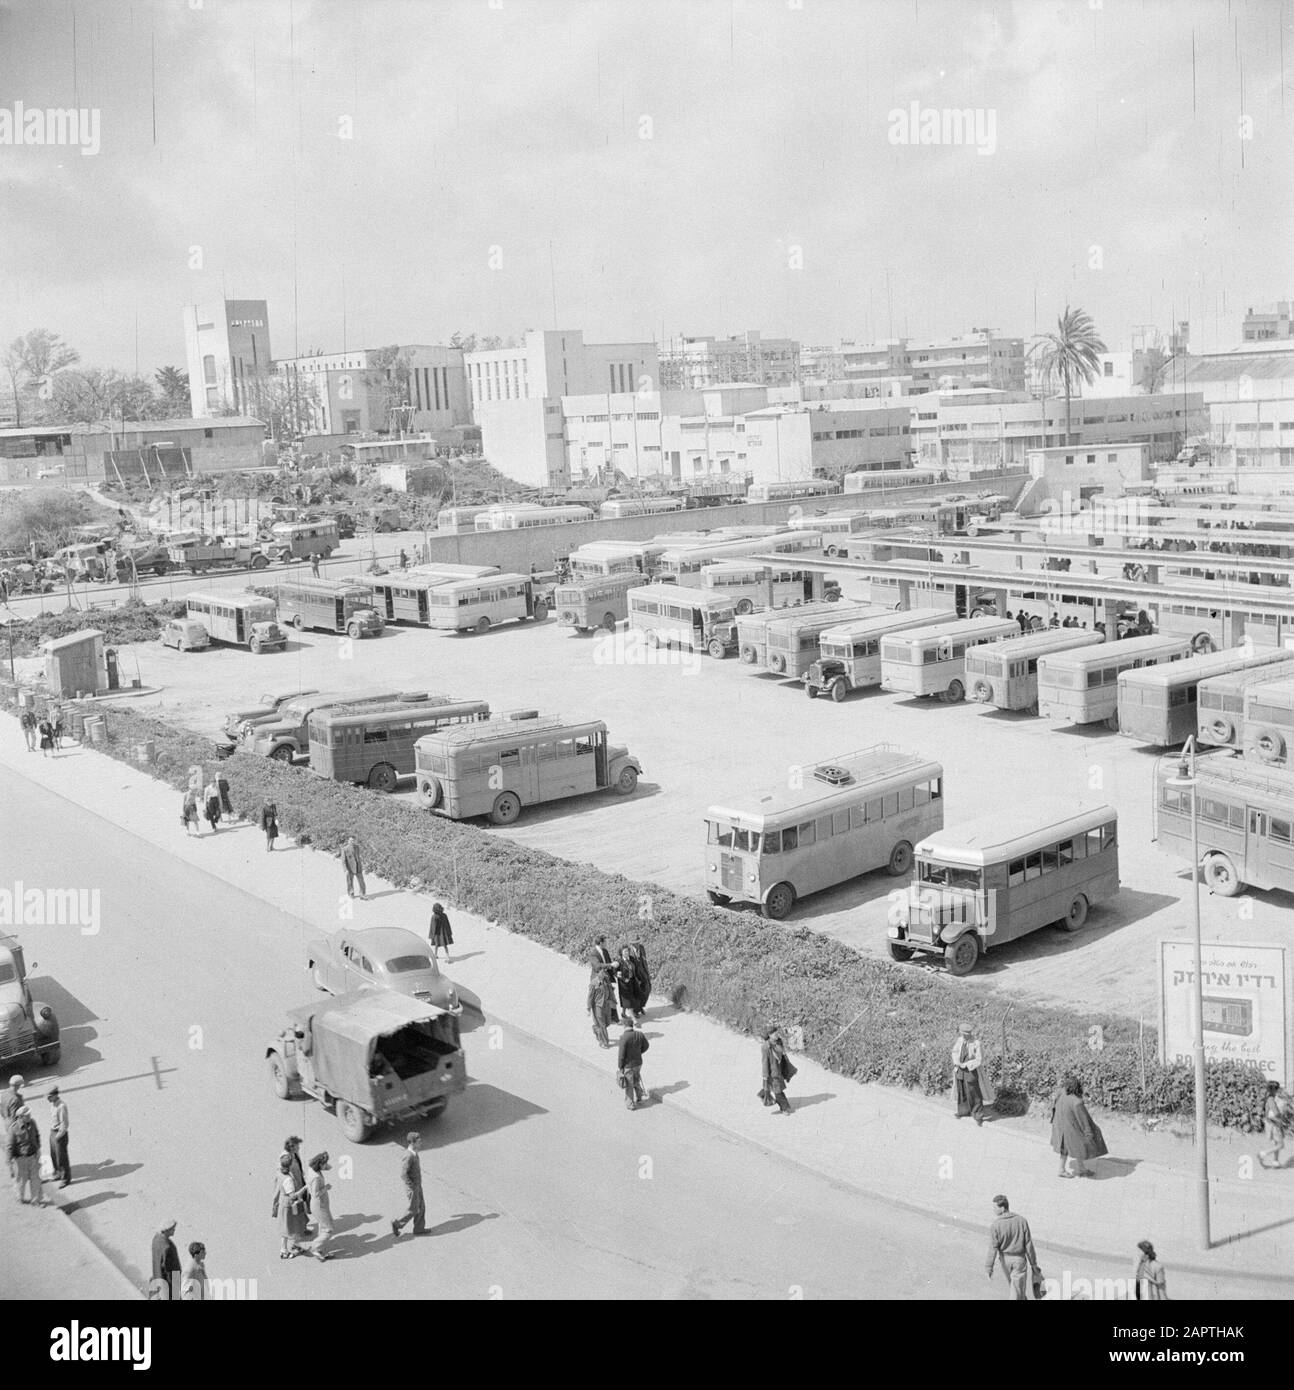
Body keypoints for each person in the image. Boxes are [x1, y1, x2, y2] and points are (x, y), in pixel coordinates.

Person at [985, 1194, 1041, 1300]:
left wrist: (989, 1268)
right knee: (1016, 1289)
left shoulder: (996, 1225)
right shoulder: (1022, 1221)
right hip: (1019, 1260)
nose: (993, 1210)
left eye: (995, 1208)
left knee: (1015, 1288)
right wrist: (1033, 1264)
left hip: (1005, 1261)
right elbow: (1028, 1244)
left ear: (1002, 1208)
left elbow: (993, 1248)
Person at [1050, 1075, 1108, 1177]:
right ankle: (1069, 1169)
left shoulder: (1061, 1094)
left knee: (1067, 1148)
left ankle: (1071, 1169)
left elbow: (1054, 1108)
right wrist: (1089, 1134)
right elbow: (1084, 1120)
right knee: (1080, 1144)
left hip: (1061, 1126)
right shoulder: (1077, 1102)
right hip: (1070, 1129)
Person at [951, 1022, 995, 1126]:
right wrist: (957, 1061)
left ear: (970, 1033)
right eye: (963, 1034)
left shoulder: (976, 1043)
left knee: (974, 1092)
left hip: (971, 1070)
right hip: (960, 1070)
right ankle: (963, 1111)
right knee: (962, 1090)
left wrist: (967, 1064)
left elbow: (979, 1059)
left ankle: (978, 1115)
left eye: (967, 1034)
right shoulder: (960, 1040)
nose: (965, 1036)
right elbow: (955, 1052)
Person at [390, 1131, 426, 1238]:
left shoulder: (414, 1153)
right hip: (413, 1187)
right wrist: (412, 1186)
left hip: (417, 1185)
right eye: (419, 1142)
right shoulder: (409, 1156)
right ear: (412, 1143)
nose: (421, 1143)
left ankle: (419, 1228)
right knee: (413, 1209)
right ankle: (397, 1224)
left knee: (421, 1207)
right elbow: (403, 1174)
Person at [273, 1153, 308, 1258]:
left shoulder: (279, 1173)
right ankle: (295, 1246)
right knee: (297, 1225)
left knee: (286, 1227)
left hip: (283, 1203)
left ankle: (284, 1250)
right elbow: (293, 1196)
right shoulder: (288, 1180)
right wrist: (305, 1188)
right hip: (290, 1206)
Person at [8, 1105, 43, 1204]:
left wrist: (38, 1148)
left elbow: (37, 1135)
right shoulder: (14, 1128)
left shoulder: (33, 1123)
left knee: (35, 1179)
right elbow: (10, 1146)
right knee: (21, 1181)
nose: (29, 1116)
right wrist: (10, 1161)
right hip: (20, 1159)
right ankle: (20, 1198)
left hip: (33, 1156)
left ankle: (35, 1200)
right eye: (26, 1115)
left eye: (29, 1114)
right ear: (20, 1117)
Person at [587, 937, 617, 1049]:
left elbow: (609, 963)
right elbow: (598, 966)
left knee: (607, 1022)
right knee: (602, 1023)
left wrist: (615, 970)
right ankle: (604, 1042)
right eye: (605, 942)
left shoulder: (604, 951)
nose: (607, 943)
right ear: (601, 943)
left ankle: (596, 1029)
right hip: (598, 997)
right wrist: (589, 1008)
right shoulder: (593, 953)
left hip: (606, 985)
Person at [617, 1012, 650, 1110]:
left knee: (629, 1085)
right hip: (638, 1063)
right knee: (636, 1080)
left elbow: (621, 1055)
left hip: (628, 1065)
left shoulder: (624, 1037)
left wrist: (620, 1066)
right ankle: (639, 1097)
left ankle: (630, 1104)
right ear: (631, 1025)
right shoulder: (640, 1034)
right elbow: (646, 1046)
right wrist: (639, 1053)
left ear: (625, 1026)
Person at [307, 1152, 335, 1261]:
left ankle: (319, 1248)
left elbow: (327, 1167)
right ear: (319, 1164)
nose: (326, 1165)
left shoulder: (312, 1169)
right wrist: (326, 1188)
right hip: (319, 1204)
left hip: (320, 1204)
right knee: (329, 1230)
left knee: (323, 1226)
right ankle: (315, 1247)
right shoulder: (316, 1178)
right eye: (324, 1164)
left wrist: (326, 1166)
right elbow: (315, 1193)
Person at [760, 1026, 794, 1115]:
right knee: (778, 1091)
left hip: (780, 1069)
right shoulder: (765, 1047)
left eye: (777, 1032)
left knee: (773, 1087)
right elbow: (764, 1062)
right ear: (769, 1035)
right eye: (774, 1033)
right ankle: (784, 1108)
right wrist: (765, 1075)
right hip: (772, 1072)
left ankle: (762, 1094)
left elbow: (782, 1053)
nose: (777, 1034)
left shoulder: (779, 1041)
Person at [1258, 1080, 1289, 1169]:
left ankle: (1275, 1161)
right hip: (1273, 1125)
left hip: (1272, 1124)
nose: (1279, 1090)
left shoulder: (1270, 1098)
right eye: (1278, 1089)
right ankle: (1263, 1154)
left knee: (1276, 1143)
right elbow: (1273, 1114)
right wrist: (1281, 1119)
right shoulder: (1271, 1100)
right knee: (1280, 1145)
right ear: (1274, 1090)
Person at [46, 1087, 70, 1187]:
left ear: (55, 1095)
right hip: (53, 1131)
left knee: (62, 1157)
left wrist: (58, 1136)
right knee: (54, 1155)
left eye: (50, 1097)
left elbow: (64, 1124)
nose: (48, 1099)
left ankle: (65, 1179)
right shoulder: (53, 1105)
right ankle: (57, 1173)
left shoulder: (61, 1106)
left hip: (59, 1134)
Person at [152, 1220, 181, 1298]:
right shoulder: (167, 1246)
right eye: (172, 1229)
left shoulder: (156, 1239)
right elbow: (169, 1269)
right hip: (168, 1285)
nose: (174, 1231)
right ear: (167, 1229)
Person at [281, 1136, 309, 1214]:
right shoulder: (286, 1158)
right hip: (292, 1185)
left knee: (300, 1203)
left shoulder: (295, 1154)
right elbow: (283, 1173)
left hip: (299, 1180)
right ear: (291, 1147)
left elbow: (299, 1166)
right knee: (294, 1205)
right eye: (297, 1146)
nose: (299, 1148)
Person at [342, 835, 366, 899]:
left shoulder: (357, 847)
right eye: (350, 840)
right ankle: (351, 893)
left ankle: (362, 894)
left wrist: (361, 865)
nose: (352, 842)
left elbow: (358, 857)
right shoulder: (345, 849)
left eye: (353, 840)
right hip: (350, 868)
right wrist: (345, 869)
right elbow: (343, 860)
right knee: (350, 881)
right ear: (348, 841)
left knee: (361, 881)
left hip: (358, 867)